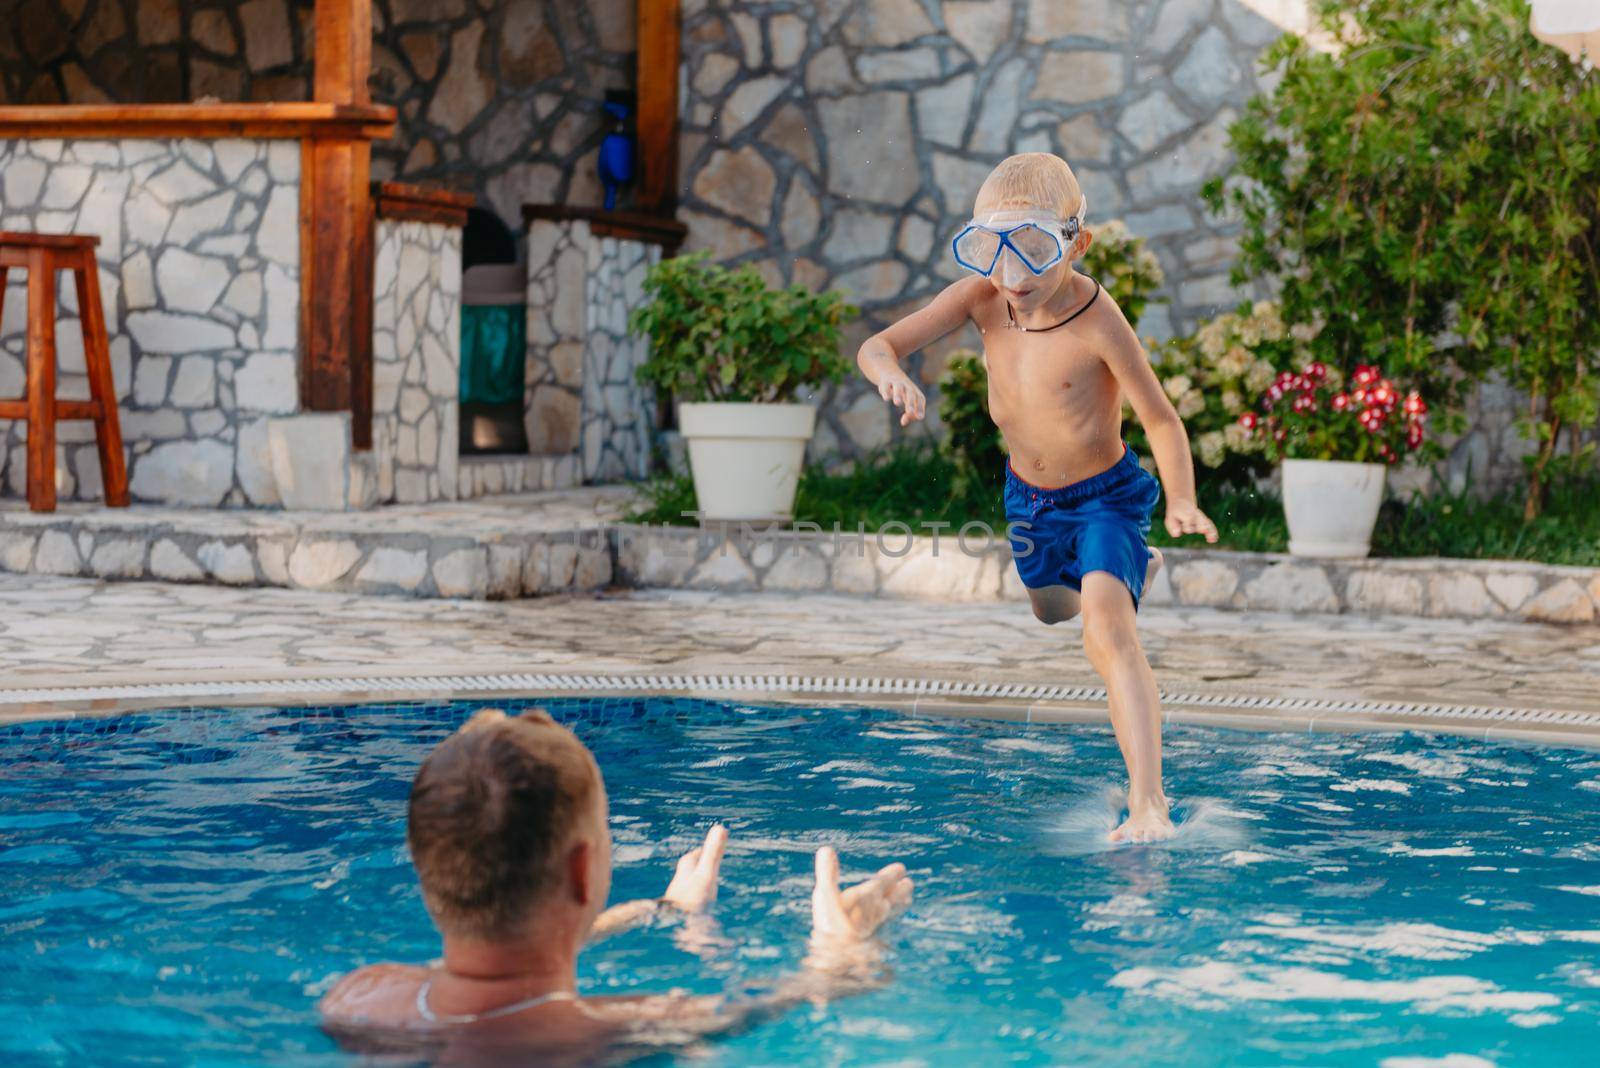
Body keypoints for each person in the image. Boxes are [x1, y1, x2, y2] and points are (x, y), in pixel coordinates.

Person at [855, 153, 1219, 844]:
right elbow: (878, 344)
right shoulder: (983, 298)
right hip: (1028, 500)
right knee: (1053, 610)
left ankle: (1148, 801)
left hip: (1105, 498)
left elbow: (1161, 418)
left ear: (1076, 244)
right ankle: (1129, 574)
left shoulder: (1096, 319)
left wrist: (1180, 500)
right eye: (995, 257)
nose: (1014, 280)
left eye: (1035, 257)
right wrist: (890, 375)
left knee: (1106, 633)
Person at [319, 708, 914, 1063]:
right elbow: (803, 992)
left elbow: (485, 964)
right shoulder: (625, 1025)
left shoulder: (359, 998)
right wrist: (847, 950)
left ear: (429, 872)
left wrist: (658, 908)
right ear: (583, 871)